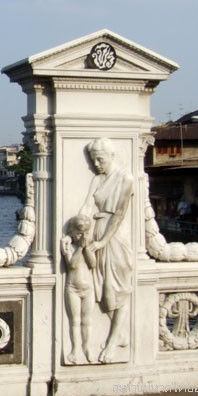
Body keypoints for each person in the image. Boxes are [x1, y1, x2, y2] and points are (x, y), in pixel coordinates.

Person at [79, 138, 134, 364]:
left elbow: (120, 214)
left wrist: (102, 241)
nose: (97, 164)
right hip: (98, 231)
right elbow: (86, 206)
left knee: (117, 290)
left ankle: (113, 343)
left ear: (112, 156)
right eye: (94, 160)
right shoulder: (97, 180)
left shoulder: (125, 178)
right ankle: (118, 334)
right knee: (100, 289)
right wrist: (75, 230)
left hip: (116, 236)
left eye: (100, 159)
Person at [61, 214, 97, 364]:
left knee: (87, 321)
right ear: (72, 232)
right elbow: (72, 265)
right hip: (72, 288)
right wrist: (80, 248)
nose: (83, 236)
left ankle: (87, 347)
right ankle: (75, 349)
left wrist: (86, 247)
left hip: (88, 288)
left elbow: (93, 264)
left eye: (86, 234)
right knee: (75, 321)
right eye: (79, 233)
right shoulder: (68, 246)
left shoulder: (88, 246)